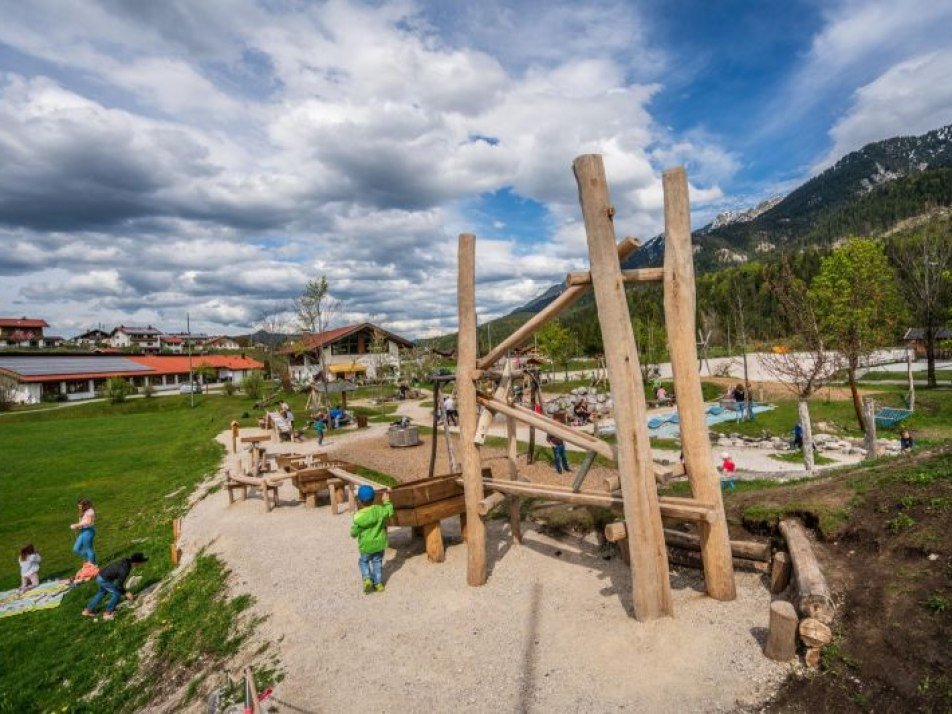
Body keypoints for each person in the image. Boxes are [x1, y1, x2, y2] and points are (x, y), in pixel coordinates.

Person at [350, 485, 394, 594]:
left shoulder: (358, 516)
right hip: (379, 544)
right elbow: (389, 511)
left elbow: (354, 533)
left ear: (359, 501)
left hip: (366, 546)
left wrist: (353, 532)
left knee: (363, 562)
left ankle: (367, 579)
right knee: (377, 563)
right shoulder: (379, 510)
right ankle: (378, 584)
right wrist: (387, 501)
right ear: (374, 498)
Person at [82, 552, 148, 620]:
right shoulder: (125, 570)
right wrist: (126, 593)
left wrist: (125, 593)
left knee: (102, 592)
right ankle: (108, 612)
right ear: (136, 563)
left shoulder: (125, 561)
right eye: (141, 563)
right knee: (117, 593)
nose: (141, 564)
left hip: (100, 575)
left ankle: (88, 610)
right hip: (104, 579)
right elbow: (119, 585)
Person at [70, 498, 97, 565]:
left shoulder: (90, 511)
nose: (79, 508)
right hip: (83, 531)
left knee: (88, 549)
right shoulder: (83, 511)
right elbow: (82, 522)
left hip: (88, 531)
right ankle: (90, 559)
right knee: (76, 549)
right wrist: (78, 526)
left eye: (81, 506)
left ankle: (92, 564)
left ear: (85, 505)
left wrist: (76, 525)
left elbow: (88, 522)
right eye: (79, 507)